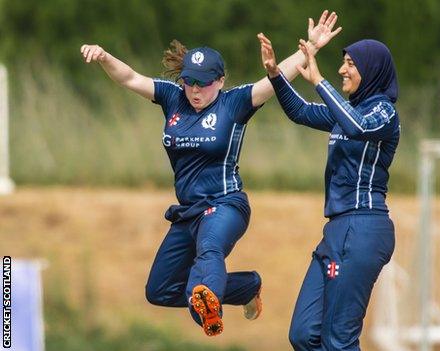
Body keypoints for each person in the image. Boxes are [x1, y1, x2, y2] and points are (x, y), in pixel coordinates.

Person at [79, 10, 341, 337]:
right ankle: (244, 287)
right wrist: (103, 56)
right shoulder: (173, 99)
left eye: (203, 82)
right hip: (188, 213)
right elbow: (130, 78)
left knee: (210, 249)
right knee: (159, 290)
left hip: (225, 205)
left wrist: (310, 48)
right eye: (189, 80)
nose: (194, 89)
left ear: (220, 80)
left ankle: (208, 305)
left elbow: (278, 79)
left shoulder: (234, 103)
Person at [259, 33, 400, 350]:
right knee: (304, 335)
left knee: (338, 341)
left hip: (363, 227)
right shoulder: (348, 111)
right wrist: (275, 74)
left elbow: (358, 126)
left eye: (350, 64)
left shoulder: (384, 112)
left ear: (372, 70)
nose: (342, 70)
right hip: (337, 230)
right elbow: (301, 111)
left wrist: (319, 80)